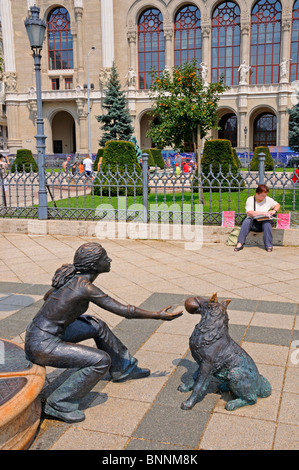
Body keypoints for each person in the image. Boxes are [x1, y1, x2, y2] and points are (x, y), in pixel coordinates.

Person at [25, 242, 182, 424]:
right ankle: (59, 403)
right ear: (93, 266)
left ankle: (124, 368)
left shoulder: (71, 278)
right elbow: (125, 311)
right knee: (100, 360)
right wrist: (157, 315)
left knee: (97, 325)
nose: (109, 260)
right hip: (43, 345)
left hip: (40, 333)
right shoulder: (85, 287)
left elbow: (47, 297)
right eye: (105, 258)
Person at [234, 184, 280, 253]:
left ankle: (268, 245)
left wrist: (274, 210)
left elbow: (277, 205)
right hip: (253, 220)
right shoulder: (250, 200)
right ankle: (240, 243)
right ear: (257, 193)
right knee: (246, 222)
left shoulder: (268, 199)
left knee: (267, 224)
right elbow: (249, 213)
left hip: (264, 220)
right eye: (263, 195)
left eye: (265, 195)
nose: (264, 197)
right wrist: (262, 213)